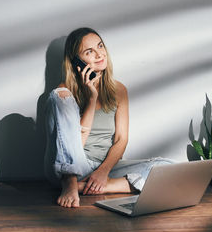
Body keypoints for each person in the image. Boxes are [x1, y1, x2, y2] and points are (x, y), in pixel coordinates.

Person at [44, 27, 175, 208]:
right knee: (58, 97)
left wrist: (103, 172)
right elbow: (75, 143)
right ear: (76, 61)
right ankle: (70, 183)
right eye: (89, 51)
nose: (99, 54)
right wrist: (92, 99)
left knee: (167, 166)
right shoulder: (65, 94)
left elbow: (121, 140)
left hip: (106, 167)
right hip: (71, 166)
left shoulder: (119, 90)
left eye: (100, 46)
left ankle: (95, 187)